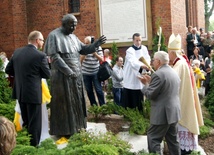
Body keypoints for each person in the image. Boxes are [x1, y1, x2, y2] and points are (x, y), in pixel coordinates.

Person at [43, 14, 106, 138]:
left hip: (76, 75)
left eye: (75, 25)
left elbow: (83, 49)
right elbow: (55, 57)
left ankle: (78, 126)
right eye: (71, 25)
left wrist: (96, 44)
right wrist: (68, 71)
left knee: (77, 101)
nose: (74, 28)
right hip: (62, 77)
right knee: (65, 104)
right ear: (64, 23)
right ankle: (65, 130)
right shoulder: (54, 36)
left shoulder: (73, 37)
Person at [5, 30, 51, 146]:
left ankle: (26, 143)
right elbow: (47, 75)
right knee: (35, 123)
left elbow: (8, 70)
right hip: (33, 94)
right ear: (37, 40)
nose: (43, 42)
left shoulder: (17, 52)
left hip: (20, 92)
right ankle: (34, 148)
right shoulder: (40, 56)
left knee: (26, 121)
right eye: (42, 40)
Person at [138, 51, 181, 154]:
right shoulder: (173, 71)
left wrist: (145, 84)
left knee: (154, 138)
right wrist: (151, 82)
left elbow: (150, 95)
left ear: (158, 61)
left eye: (153, 60)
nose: (152, 62)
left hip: (162, 113)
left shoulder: (158, 74)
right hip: (173, 112)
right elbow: (165, 89)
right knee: (173, 141)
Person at [168, 33, 204, 154]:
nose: (168, 55)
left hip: (182, 102)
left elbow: (170, 80)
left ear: (173, 53)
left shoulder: (179, 64)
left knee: (181, 143)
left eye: (169, 52)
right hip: (186, 99)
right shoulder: (183, 61)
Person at [123, 33, 151, 111]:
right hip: (131, 74)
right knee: (130, 94)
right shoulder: (129, 50)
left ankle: (140, 111)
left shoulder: (144, 48)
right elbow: (133, 62)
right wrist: (141, 66)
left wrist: (147, 64)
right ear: (133, 40)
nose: (138, 42)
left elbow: (147, 58)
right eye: (137, 40)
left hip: (140, 72)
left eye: (140, 40)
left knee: (139, 93)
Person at [80, 36, 105, 106]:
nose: (86, 45)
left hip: (95, 72)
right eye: (85, 43)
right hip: (85, 73)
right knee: (89, 91)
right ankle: (94, 106)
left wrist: (95, 54)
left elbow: (102, 60)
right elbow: (80, 61)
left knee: (99, 90)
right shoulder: (83, 48)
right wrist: (84, 55)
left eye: (87, 43)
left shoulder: (98, 47)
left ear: (91, 43)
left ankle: (103, 106)